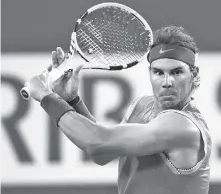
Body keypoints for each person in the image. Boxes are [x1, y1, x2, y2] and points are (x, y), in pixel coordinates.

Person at [26, 26, 211, 194]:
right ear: (150, 73)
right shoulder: (141, 106)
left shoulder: (183, 126)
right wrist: (71, 100)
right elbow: (103, 153)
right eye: (158, 72)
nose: (167, 82)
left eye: (177, 72)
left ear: (193, 75)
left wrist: (45, 95)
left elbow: (97, 142)